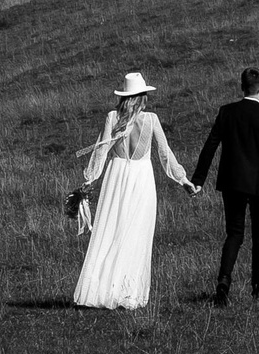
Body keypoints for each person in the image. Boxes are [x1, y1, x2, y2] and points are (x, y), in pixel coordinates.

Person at [71, 72, 198, 309]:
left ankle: (105, 288)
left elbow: (101, 151)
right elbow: (164, 153)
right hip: (141, 179)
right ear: (143, 97)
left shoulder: (112, 117)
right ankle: (128, 292)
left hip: (116, 177)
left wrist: (90, 179)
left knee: (112, 231)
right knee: (137, 234)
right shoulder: (150, 120)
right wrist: (183, 180)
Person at [191, 67, 259, 306]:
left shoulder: (227, 112)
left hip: (231, 183)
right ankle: (258, 290)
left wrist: (198, 180)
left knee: (234, 234)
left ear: (241, 87)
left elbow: (210, 145)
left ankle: (223, 281)